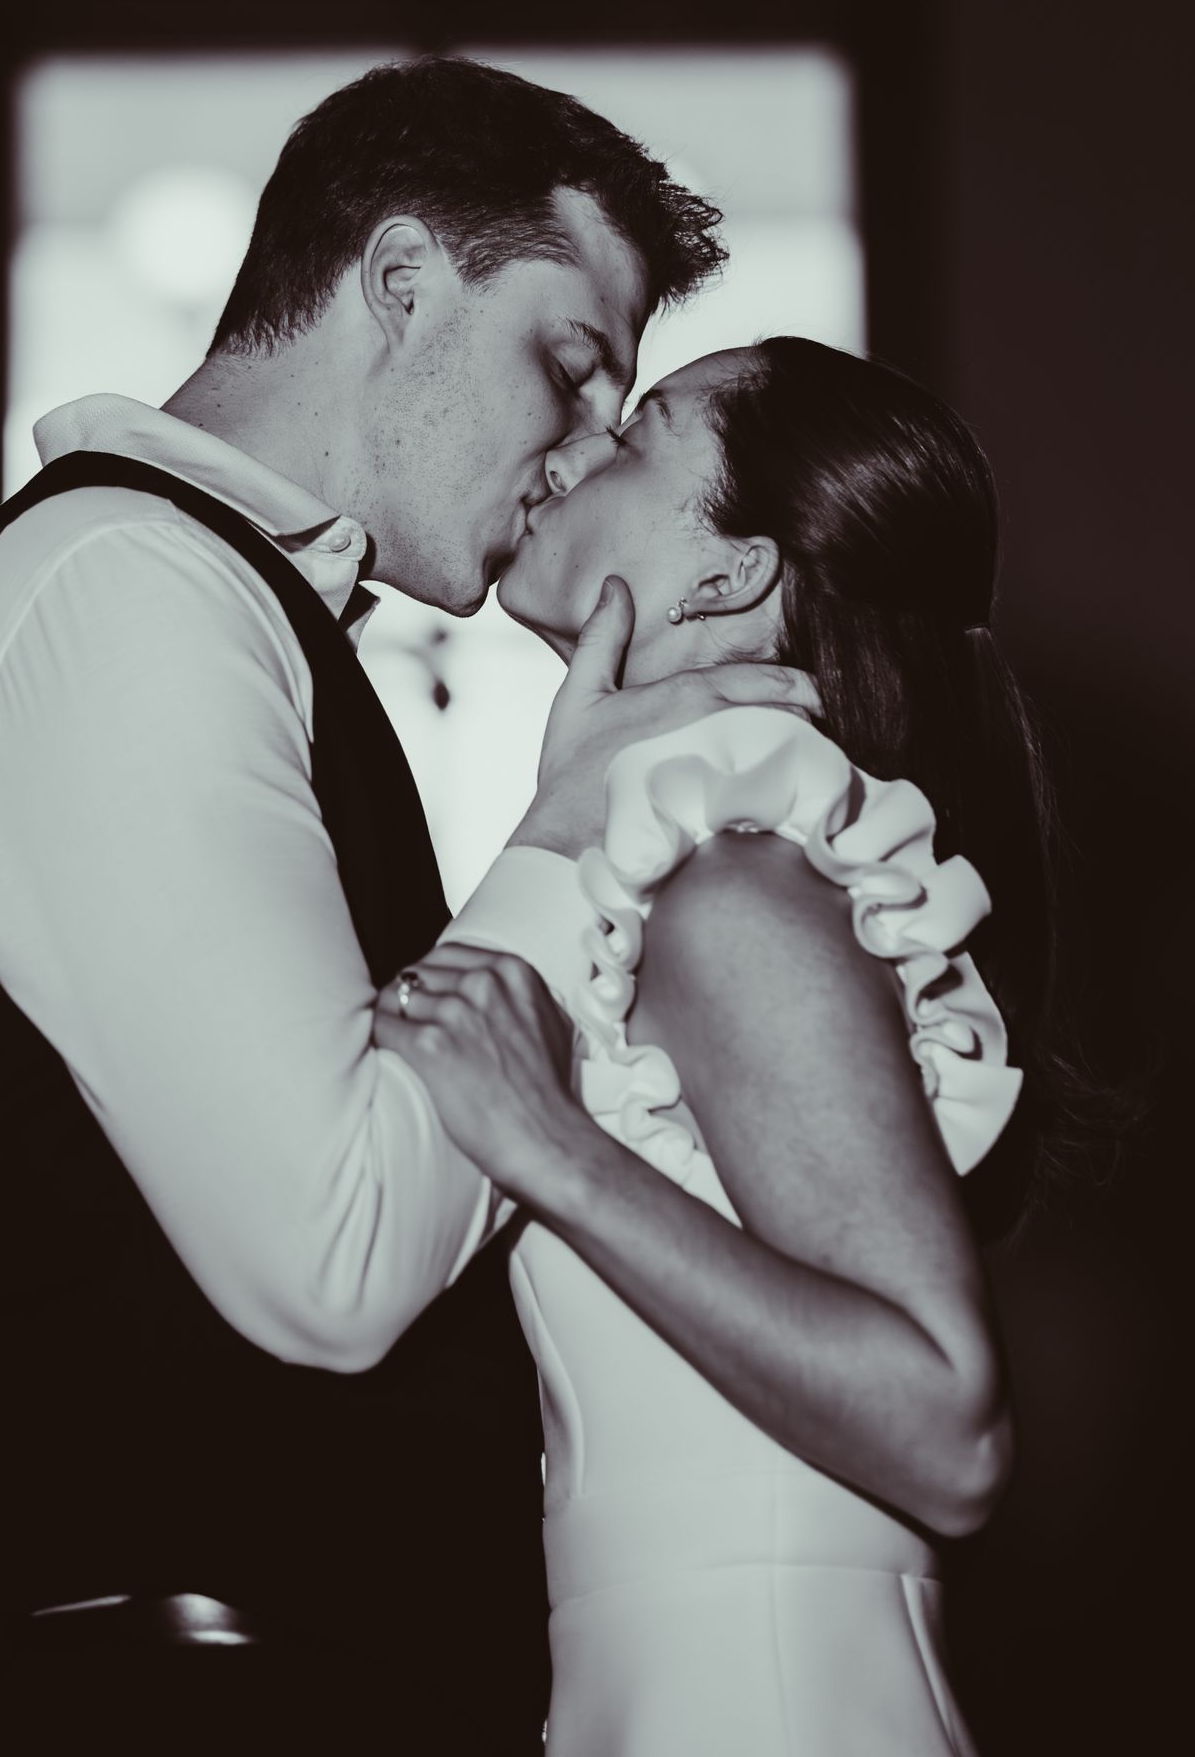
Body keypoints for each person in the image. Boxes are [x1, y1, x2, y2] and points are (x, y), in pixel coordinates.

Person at [0, 58, 816, 1755]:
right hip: (181, 1696)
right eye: (567, 370)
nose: (576, 460)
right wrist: (574, 825)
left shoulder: (227, 611)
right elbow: (336, 1259)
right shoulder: (121, 591)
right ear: (401, 282)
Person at [372, 334, 1072, 1756]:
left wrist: (554, 1149)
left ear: (731, 575)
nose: (569, 451)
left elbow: (946, 1426)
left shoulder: (736, 889)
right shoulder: (700, 875)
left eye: (637, 437)